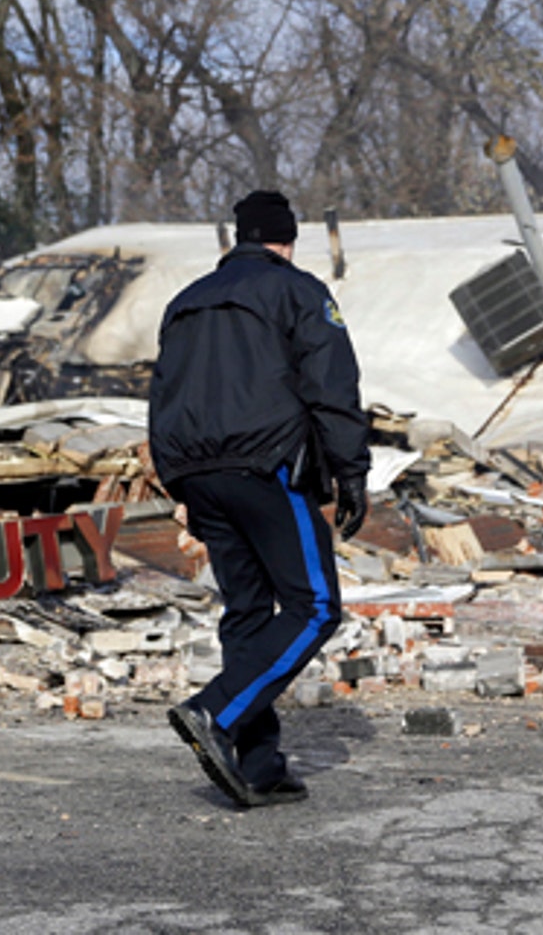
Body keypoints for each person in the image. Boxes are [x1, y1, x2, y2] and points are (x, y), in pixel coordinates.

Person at [149, 189, 370, 808]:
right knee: (316, 606)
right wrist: (351, 471)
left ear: (238, 238)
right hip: (268, 465)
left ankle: (261, 765)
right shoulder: (298, 291)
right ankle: (214, 713)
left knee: (247, 614)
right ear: (287, 239)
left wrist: (178, 481)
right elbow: (332, 384)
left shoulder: (183, 303)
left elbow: (161, 395)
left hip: (199, 475)